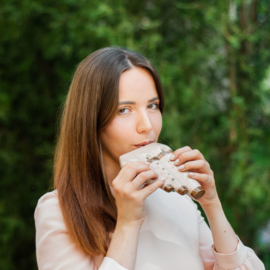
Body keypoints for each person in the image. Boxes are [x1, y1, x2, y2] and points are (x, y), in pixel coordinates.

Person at [34, 47, 265, 270]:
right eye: (124, 110)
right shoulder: (59, 212)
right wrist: (127, 223)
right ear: (91, 120)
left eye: (153, 106)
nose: (147, 126)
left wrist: (212, 204)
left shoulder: (178, 200)